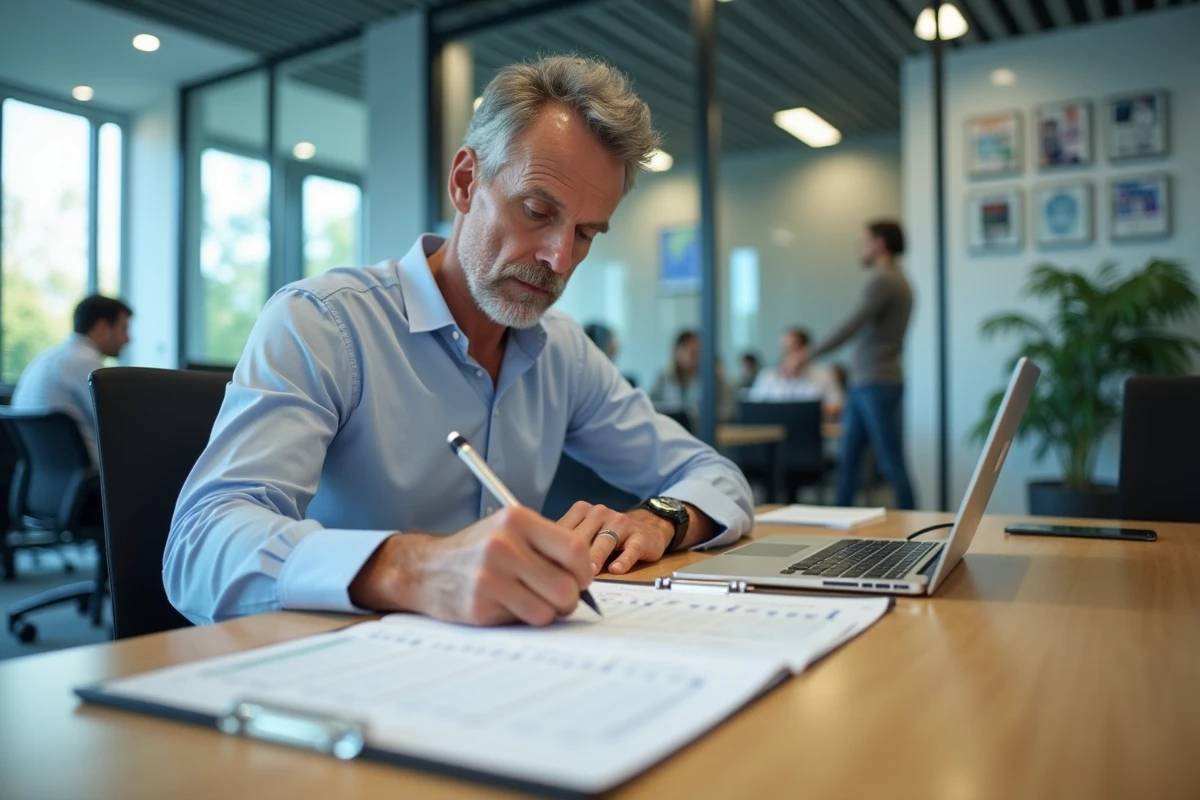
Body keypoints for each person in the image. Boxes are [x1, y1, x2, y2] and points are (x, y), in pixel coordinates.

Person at [166, 56, 753, 628]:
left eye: (585, 233)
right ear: (466, 181)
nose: (559, 258)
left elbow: (714, 474)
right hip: (331, 670)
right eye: (536, 211)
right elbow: (200, 545)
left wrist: (662, 519)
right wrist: (411, 567)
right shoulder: (325, 324)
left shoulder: (563, 353)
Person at [799, 220, 916, 509]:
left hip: (877, 382)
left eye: (863, 240)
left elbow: (854, 324)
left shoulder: (885, 280)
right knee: (849, 461)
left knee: (889, 462)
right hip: (868, 383)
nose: (858, 247)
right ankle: (840, 526)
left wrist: (809, 353)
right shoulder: (896, 279)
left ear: (879, 243)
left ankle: (916, 523)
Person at [11, 295, 132, 464]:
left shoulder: (51, 356)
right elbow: (120, 425)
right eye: (124, 329)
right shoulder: (85, 362)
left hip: (48, 477)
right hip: (89, 480)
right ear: (102, 327)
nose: (127, 339)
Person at [747, 327, 844, 416]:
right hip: (774, 432)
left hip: (809, 430)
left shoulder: (824, 375)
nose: (786, 354)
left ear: (806, 350)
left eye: (791, 349)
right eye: (783, 349)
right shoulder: (767, 376)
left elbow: (838, 407)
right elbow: (753, 409)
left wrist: (804, 410)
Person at [649, 330, 735, 422]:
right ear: (677, 351)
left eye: (697, 352)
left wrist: (702, 416)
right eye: (689, 351)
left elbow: (729, 410)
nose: (694, 356)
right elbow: (651, 407)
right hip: (670, 431)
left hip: (702, 432)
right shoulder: (664, 377)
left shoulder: (712, 377)